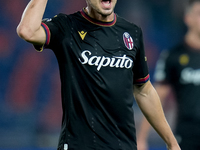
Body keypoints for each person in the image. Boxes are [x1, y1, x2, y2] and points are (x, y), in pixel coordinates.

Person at [16, 0, 180, 150]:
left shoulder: (132, 33)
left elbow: (144, 90)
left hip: (123, 145)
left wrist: (171, 142)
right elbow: (27, 31)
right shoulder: (67, 26)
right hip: (78, 145)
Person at [137, 0, 200, 150]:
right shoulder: (173, 56)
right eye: (199, 14)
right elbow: (155, 98)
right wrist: (141, 138)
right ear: (188, 18)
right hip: (186, 137)